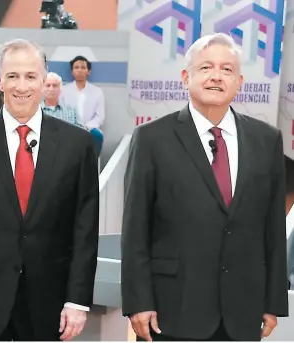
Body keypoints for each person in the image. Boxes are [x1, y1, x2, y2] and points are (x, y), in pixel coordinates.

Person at [121, 33, 290, 341]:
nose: (216, 76)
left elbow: (273, 227)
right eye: (206, 68)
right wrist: (138, 301)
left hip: (243, 309)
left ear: (239, 82)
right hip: (173, 308)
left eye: (227, 70)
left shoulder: (266, 140)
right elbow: (135, 228)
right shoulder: (151, 138)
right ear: (186, 77)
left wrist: (273, 300)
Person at [0, 38, 99, 341]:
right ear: (0, 80)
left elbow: (85, 229)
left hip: (50, 301)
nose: (21, 86)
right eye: (12, 76)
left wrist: (77, 300)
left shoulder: (77, 145)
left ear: (44, 79)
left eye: (30, 76)